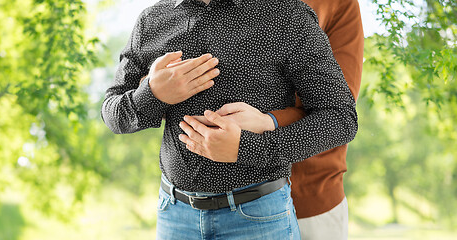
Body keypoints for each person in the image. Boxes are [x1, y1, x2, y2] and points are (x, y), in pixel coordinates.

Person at [100, 0, 358, 239]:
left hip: (259, 217)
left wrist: (247, 148)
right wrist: (153, 95)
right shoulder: (153, 20)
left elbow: (340, 118)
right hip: (174, 216)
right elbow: (112, 113)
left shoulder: (287, 16)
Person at [183, 0, 364, 239]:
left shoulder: (335, 4)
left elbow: (336, 108)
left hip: (310, 196)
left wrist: (268, 121)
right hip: (199, 204)